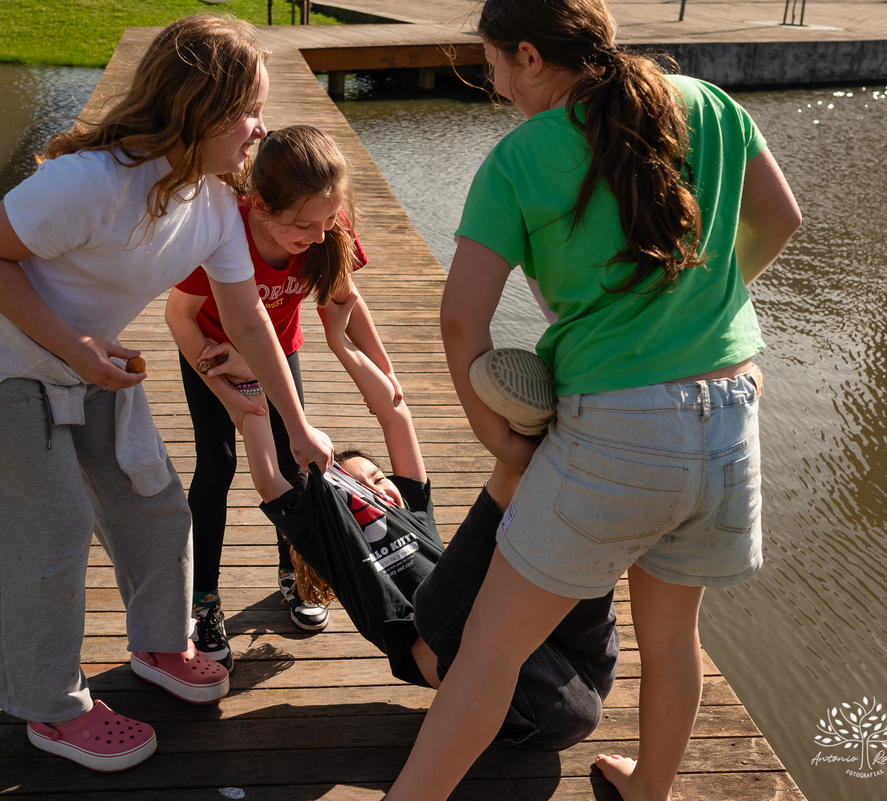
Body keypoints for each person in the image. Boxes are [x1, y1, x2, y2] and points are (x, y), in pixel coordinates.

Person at [386, 0, 802, 798]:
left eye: (498, 65)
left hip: (621, 428)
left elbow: (460, 317)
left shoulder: (521, 157)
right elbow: (780, 218)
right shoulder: (709, 106)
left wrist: (496, 436)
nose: (500, 86)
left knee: (489, 648)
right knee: (674, 640)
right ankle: (649, 789)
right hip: (732, 414)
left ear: (533, 56)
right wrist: (703, 308)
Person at [0, 16, 333, 773]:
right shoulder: (88, 182)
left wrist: (297, 425)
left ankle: (162, 645)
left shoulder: (211, 203)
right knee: (51, 526)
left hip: (85, 358)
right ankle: (51, 707)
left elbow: (245, 316)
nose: (259, 129)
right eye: (246, 112)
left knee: (153, 501)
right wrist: (76, 346)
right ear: (196, 109)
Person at [204, 288, 619, 751]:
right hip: (481, 671)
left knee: (567, 559)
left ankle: (563, 450)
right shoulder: (334, 544)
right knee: (451, 589)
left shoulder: (414, 511)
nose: (380, 488)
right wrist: (251, 386)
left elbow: (393, 412)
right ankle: (525, 448)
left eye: (378, 476)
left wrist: (342, 342)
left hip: (564, 661)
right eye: (360, 486)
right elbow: (268, 479)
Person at [165, 125, 400, 668]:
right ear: (259, 207)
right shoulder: (224, 232)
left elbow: (346, 298)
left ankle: (292, 576)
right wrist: (223, 384)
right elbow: (178, 316)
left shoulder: (325, 228)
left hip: (277, 351)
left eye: (326, 221)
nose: (317, 236)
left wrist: (385, 373)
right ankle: (203, 600)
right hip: (211, 352)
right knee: (217, 465)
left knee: (296, 467)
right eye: (301, 225)